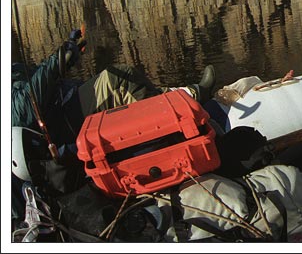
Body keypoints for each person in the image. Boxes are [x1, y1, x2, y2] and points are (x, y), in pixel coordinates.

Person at [10, 28, 215, 227]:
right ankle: (175, 131)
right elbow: (23, 109)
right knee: (117, 81)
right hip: (59, 127)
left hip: (63, 104)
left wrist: (66, 54)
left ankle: (183, 99)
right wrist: (59, 60)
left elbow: (36, 81)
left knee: (124, 87)